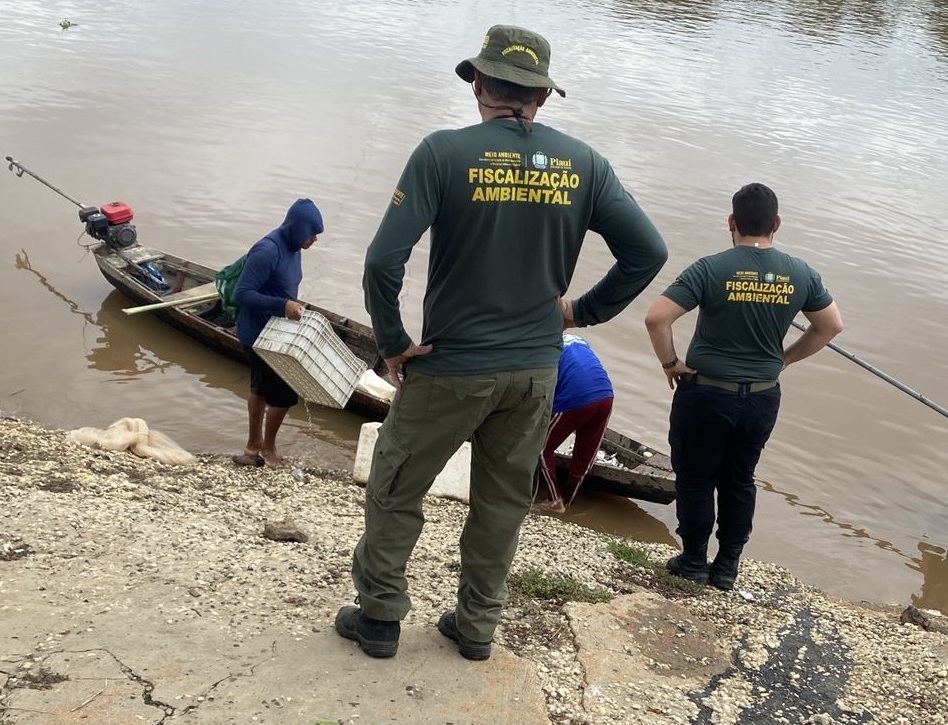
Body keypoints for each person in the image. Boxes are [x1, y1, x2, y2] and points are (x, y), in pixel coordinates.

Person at [334, 24, 668, 661]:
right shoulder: (586, 164)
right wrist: (582, 311)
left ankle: (380, 618)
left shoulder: (442, 153)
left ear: (479, 85)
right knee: (501, 503)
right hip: (536, 372)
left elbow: (383, 261)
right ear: (541, 96)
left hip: (450, 367)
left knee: (397, 487)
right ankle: (477, 626)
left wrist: (393, 341)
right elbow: (648, 252)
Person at [644, 182, 843, 591]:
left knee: (696, 478)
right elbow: (831, 326)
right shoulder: (801, 273)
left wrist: (670, 363)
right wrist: (785, 359)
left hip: (706, 393)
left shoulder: (709, 268)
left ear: (731, 221)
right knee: (739, 479)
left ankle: (693, 560)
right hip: (762, 397)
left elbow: (657, 318)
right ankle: (727, 566)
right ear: (777, 224)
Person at [232, 198, 324, 467]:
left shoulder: (294, 248)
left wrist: (291, 304)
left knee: (260, 388)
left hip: (275, 331)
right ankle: (267, 449)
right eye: (312, 233)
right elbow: (242, 293)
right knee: (284, 394)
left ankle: (253, 448)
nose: (315, 239)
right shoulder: (267, 250)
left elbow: (281, 287)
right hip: (258, 335)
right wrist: (283, 305)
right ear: (298, 228)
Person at [535, 333, 615, 513]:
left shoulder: (544, 346)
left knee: (540, 449)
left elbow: (543, 389)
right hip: (606, 396)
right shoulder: (578, 339)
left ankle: (555, 501)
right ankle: (569, 501)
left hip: (575, 398)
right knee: (584, 458)